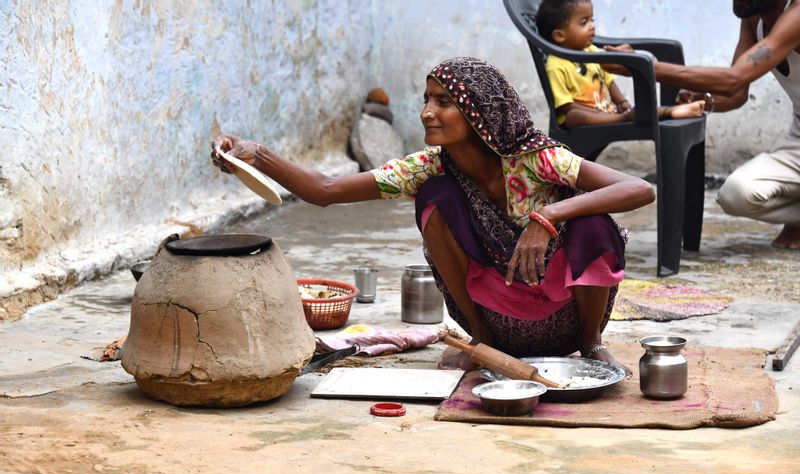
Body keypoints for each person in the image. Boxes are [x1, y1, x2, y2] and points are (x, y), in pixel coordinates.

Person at [210, 56, 655, 374]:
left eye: (443, 101)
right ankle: (481, 343)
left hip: (567, 318)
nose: (426, 112)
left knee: (595, 221)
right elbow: (324, 192)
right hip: (497, 319)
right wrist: (256, 155)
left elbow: (638, 189)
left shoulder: (534, 158)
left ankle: (591, 346)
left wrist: (550, 215)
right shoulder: (430, 166)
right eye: (427, 99)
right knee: (434, 197)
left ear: (477, 111)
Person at [604, 0, 800, 249]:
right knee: (737, 194)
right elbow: (736, 93)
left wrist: (643, 67)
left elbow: (733, 79)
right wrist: (705, 100)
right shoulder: (753, 18)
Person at [535, 0, 705, 129]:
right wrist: (602, 114)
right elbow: (566, 106)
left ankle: (667, 112)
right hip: (587, 117)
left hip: (609, 112)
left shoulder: (593, 51)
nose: (592, 26)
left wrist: (622, 103)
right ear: (559, 36)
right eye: (584, 22)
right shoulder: (556, 65)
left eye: (592, 19)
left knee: (635, 111)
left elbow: (609, 83)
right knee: (573, 116)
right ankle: (655, 114)